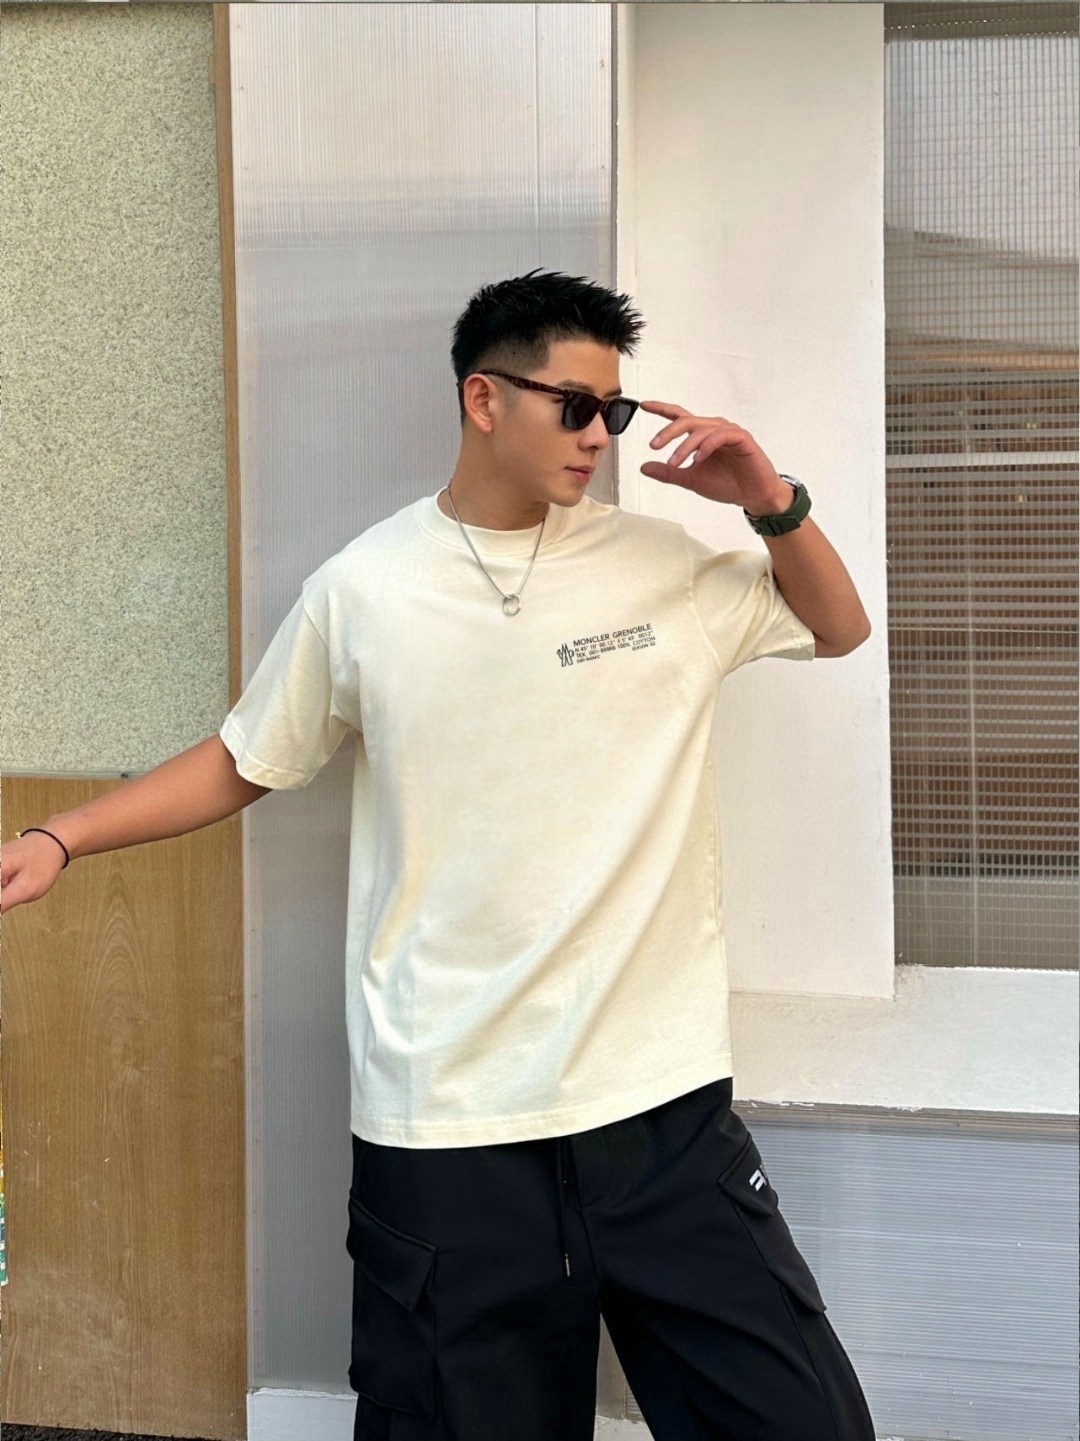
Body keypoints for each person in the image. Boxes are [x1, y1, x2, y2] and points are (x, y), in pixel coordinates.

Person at [2, 268, 876, 1441]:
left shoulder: (662, 568)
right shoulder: (364, 590)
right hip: (451, 1125)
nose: (600, 436)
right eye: (577, 406)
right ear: (484, 398)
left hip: (658, 1109)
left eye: (616, 411)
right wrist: (62, 836)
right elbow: (247, 756)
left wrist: (769, 499)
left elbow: (837, 627)